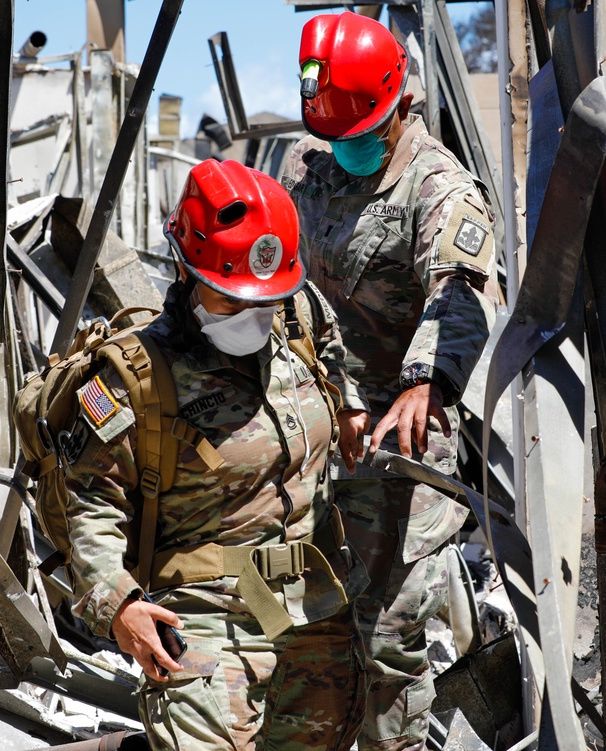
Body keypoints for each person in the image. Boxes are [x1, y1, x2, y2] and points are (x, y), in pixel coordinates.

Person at [64, 158, 370, 750]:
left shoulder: (297, 316)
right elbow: (90, 506)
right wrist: (119, 604)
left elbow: (334, 355)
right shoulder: (133, 378)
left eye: (268, 298)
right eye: (232, 300)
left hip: (313, 606)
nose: (255, 316)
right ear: (185, 269)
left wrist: (348, 407)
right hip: (205, 612)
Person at [281, 12, 499, 751]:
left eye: (357, 133)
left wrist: (424, 379)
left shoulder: (438, 186)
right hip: (313, 445)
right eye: (331, 134)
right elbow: (285, 286)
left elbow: (461, 292)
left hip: (397, 460)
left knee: (387, 649)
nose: (343, 149)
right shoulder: (308, 165)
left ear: (399, 102)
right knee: (303, 638)